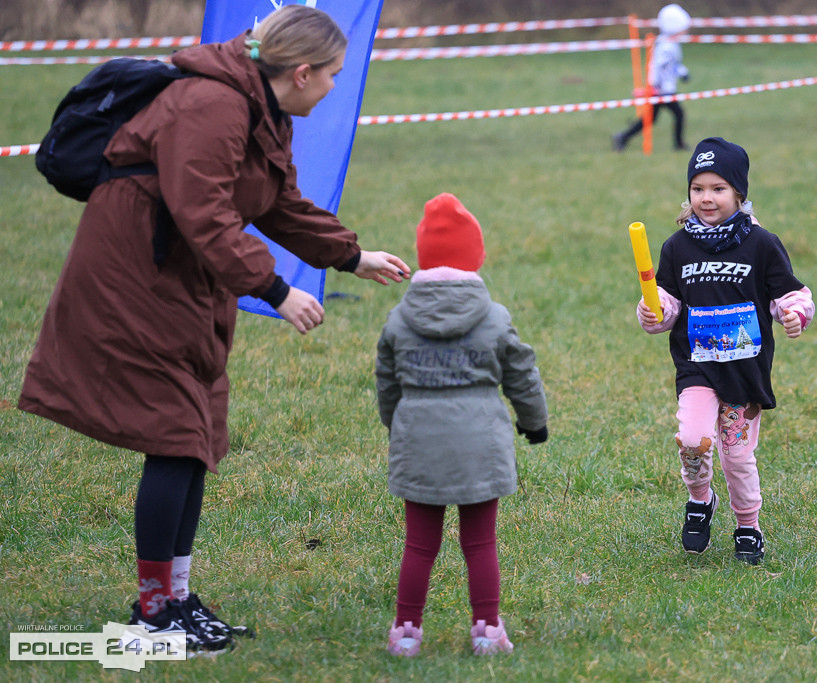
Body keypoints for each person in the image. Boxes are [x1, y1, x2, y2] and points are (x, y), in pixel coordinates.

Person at [17, 4, 410, 655]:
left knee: (196, 432)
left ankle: (175, 596)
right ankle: (152, 612)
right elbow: (201, 211)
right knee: (174, 431)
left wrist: (349, 255)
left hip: (183, 275)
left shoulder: (264, 109)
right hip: (134, 274)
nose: (338, 86)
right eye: (335, 75)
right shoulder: (212, 104)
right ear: (304, 72)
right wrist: (277, 289)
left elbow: (278, 203)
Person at [375, 193, 548, 656]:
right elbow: (521, 373)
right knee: (479, 541)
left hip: (419, 440)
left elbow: (386, 382)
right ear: (475, 257)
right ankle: (487, 629)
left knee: (419, 543)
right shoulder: (493, 317)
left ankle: (406, 631)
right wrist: (535, 423)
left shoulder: (399, 319)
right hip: (480, 444)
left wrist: (398, 426)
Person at [636, 137, 814, 565]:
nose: (707, 198)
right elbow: (668, 300)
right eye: (698, 188)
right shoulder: (676, 247)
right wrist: (654, 312)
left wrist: (793, 312)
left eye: (718, 188)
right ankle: (701, 501)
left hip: (743, 372)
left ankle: (748, 525)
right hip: (697, 368)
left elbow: (790, 293)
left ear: (739, 192)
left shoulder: (761, 244)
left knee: (736, 456)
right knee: (693, 440)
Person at [612, 4, 692, 152]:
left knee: (651, 118)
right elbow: (661, 66)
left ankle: (623, 137)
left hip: (664, 88)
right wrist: (656, 86)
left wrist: (682, 72)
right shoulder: (667, 46)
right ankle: (679, 144)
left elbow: (673, 65)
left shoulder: (671, 44)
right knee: (678, 114)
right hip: (663, 90)